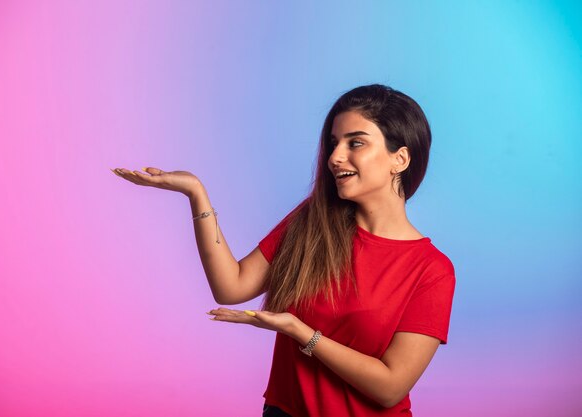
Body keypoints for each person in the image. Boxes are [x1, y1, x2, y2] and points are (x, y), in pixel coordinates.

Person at [111, 84, 456, 417]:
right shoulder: (312, 221)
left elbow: (390, 387)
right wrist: (196, 193)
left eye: (356, 143)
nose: (335, 157)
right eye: (334, 143)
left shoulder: (431, 271)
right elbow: (231, 287)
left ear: (400, 159)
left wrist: (300, 332)